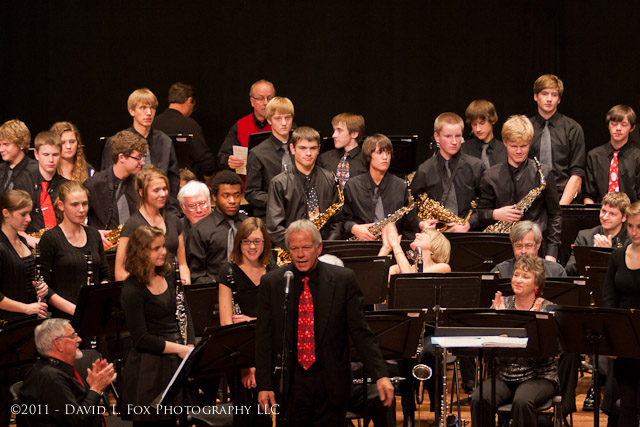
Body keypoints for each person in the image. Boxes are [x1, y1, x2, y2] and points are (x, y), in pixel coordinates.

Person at [255, 219, 394, 424]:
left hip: (331, 384)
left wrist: (380, 374)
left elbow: (360, 332)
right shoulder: (274, 283)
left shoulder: (342, 280)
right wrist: (264, 384)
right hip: (291, 385)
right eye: (294, 248)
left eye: (306, 248)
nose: (300, 254)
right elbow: (264, 338)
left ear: (318, 248)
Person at [471, 254, 558, 427]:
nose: (518, 280)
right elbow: (487, 352)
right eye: (516, 275)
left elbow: (550, 351)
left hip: (539, 376)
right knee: (479, 398)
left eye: (525, 277)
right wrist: (498, 319)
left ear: (537, 283)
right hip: (503, 375)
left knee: (523, 402)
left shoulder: (548, 309)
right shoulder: (500, 305)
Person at [119, 226, 194, 425]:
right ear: (141, 252)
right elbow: (141, 338)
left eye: (163, 247)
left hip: (176, 358)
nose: (163, 252)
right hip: (149, 368)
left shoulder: (170, 275)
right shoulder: (132, 288)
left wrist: (190, 346)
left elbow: (184, 312)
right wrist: (180, 349)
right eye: (156, 248)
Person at [477, 115, 563, 261]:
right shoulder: (490, 175)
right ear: (504, 142)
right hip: (503, 249)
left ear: (530, 143)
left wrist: (551, 253)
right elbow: (480, 213)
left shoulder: (543, 173)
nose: (518, 151)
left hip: (536, 249)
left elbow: (555, 215)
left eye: (523, 146)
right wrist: (495, 214)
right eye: (513, 146)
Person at [218, 217, 274, 427]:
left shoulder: (273, 268)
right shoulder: (228, 272)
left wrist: (252, 320)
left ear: (265, 242)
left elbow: (279, 317)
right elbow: (227, 324)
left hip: (269, 350)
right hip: (241, 353)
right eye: (246, 241)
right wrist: (247, 367)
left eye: (257, 241)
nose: (252, 247)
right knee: (246, 416)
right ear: (239, 242)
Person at [18, 318, 117, 427]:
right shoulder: (51, 378)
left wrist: (91, 386)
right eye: (73, 336)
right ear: (58, 343)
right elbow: (78, 421)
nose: (79, 339)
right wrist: (95, 389)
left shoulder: (54, 369)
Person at [40, 181, 113, 319]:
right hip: (63, 318)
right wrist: (75, 309)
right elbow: (43, 285)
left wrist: (97, 300)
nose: (81, 210)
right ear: (61, 206)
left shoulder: (93, 234)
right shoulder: (51, 238)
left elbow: (105, 275)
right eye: (74, 204)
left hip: (93, 314)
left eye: (84, 204)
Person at [100, 88, 180, 210]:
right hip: (126, 209)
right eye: (143, 108)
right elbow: (107, 179)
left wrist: (172, 211)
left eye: (152, 108)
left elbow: (173, 180)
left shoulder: (165, 141)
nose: (148, 112)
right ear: (132, 111)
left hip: (160, 209)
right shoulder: (117, 142)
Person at [266, 126, 341, 248]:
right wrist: (300, 246)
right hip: (291, 250)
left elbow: (336, 222)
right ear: (292, 149)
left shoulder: (330, 179)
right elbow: (274, 228)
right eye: (302, 148)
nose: (308, 153)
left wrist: (324, 246)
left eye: (313, 148)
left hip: (323, 249)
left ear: (319, 149)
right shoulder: (279, 183)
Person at [411, 112, 486, 232]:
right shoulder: (425, 169)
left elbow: (486, 203)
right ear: (437, 137)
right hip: (435, 235)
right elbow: (410, 206)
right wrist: (421, 223)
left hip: (468, 233)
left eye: (458, 136)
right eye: (448, 136)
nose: (454, 142)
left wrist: (469, 223)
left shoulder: (476, 166)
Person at [115, 167, 189, 284]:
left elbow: (182, 263)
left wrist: (186, 281)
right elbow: (120, 272)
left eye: (164, 189)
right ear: (141, 192)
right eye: (156, 190)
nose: (163, 194)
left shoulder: (174, 221)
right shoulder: (132, 225)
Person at [603, 201, 640, 427]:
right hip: (626, 339)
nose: (635, 232)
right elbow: (609, 299)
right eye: (631, 227)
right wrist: (612, 340)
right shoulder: (617, 256)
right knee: (626, 403)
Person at [343, 133, 420, 241]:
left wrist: (422, 225)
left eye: (388, 153)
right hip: (361, 245)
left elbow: (411, 224)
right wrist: (353, 228)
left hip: (393, 246)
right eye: (379, 152)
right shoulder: (353, 185)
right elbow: (343, 220)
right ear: (368, 156)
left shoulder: (401, 186)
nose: (385, 157)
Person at [84, 130, 148, 249]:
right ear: (121, 157)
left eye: (143, 157)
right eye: (138, 158)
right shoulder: (94, 185)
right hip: (104, 250)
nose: (143, 162)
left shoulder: (140, 183)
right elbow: (74, 219)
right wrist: (93, 234)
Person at [528, 74, 585, 204]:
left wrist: (561, 208)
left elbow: (577, 173)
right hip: (530, 199)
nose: (549, 99)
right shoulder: (526, 128)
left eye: (554, 95)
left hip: (565, 197)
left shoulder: (573, 128)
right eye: (544, 94)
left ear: (559, 99)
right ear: (535, 96)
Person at [187, 171, 246, 283]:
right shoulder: (200, 230)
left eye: (237, 195)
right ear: (214, 196)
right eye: (226, 196)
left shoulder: (249, 226)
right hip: (214, 290)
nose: (232, 201)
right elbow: (196, 274)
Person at [153, 82, 217, 185]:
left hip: (156, 184)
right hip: (184, 186)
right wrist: (210, 183)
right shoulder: (190, 125)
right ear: (190, 100)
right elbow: (205, 161)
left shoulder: (153, 124)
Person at [0, 190, 48, 320]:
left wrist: (42, 288)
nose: (29, 219)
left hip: (28, 317)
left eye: (29, 213)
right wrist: (26, 308)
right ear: (6, 213)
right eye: (23, 214)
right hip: (8, 322)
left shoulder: (22, 241)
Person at [245, 96, 295, 218]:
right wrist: (279, 201)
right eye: (278, 118)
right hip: (270, 217)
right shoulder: (258, 153)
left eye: (287, 117)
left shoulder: (301, 148)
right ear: (269, 120)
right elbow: (251, 193)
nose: (284, 123)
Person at [584, 105, 640, 204]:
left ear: (632, 127)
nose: (618, 128)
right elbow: (589, 195)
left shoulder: (638, 157)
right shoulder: (594, 156)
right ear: (608, 125)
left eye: (624, 124)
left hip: (631, 214)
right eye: (614, 124)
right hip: (601, 213)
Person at [15, 131, 68, 236]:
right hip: (30, 242)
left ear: (61, 154)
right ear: (36, 154)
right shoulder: (22, 183)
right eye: (46, 154)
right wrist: (28, 239)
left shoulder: (66, 187)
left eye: (55, 155)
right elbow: (13, 221)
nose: (51, 160)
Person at [565, 191, 630, 275]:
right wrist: (593, 255)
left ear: (624, 217)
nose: (605, 217)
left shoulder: (631, 240)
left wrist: (608, 255)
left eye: (612, 214)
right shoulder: (585, 236)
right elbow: (568, 271)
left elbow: (629, 276)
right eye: (603, 211)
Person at [218, 79, 275, 171]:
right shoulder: (240, 125)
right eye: (260, 98)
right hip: (246, 182)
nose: (266, 103)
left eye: (270, 98)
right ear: (252, 101)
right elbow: (223, 157)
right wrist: (230, 161)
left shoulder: (284, 124)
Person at [492, 221, 567, 278]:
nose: (523, 251)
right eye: (519, 246)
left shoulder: (556, 272)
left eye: (528, 246)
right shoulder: (500, 271)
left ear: (538, 244)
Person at [317, 112, 367, 189]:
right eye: (334, 131)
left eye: (339, 130)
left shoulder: (366, 160)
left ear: (354, 134)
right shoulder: (325, 158)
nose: (334, 135)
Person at [379, 222, 451, 275]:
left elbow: (410, 278)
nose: (417, 234)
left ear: (436, 244)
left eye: (425, 233)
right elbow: (373, 280)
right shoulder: (398, 268)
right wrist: (385, 249)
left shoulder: (443, 267)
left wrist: (396, 246)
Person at [460, 99, 507, 168]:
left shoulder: (505, 150)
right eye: (474, 124)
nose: (478, 129)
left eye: (482, 123)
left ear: (492, 120)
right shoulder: (463, 150)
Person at [0, 119, 37, 194]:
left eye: (6, 144)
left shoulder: (36, 170)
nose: (1, 149)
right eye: (0, 145)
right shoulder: (1, 169)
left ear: (21, 144)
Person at [177, 179, 211, 248]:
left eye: (202, 203)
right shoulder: (177, 229)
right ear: (183, 208)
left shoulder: (224, 225)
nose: (198, 210)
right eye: (192, 206)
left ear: (209, 202)